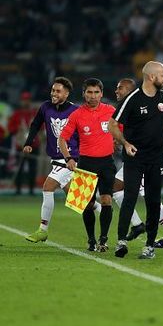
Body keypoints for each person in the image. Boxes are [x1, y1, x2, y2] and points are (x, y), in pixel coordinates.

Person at [108, 61, 163, 259]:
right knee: (129, 198)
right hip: (135, 158)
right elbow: (112, 125)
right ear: (152, 77)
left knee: (153, 202)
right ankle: (121, 242)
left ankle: (149, 246)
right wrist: (125, 143)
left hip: (156, 159)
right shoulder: (132, 99)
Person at [23, 77, 93, 243]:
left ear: (67, 93)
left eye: (58, 91)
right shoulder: (45, 107)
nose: (54, 93)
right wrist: (28, 142)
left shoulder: (76, 111)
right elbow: (35, 124)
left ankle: (43, 230)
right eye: (53, 90)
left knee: (48, 187)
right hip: (56, 158)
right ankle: (104, 208)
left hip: (70, 158)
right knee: (79, 200)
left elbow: (85, 132)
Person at [58, 78, 116, 252]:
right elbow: (62, 139)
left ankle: (103, 239)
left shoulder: (111, 111)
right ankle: (91, 239)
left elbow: (122, 129)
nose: (93, 96)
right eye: (89, 92)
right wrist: (68, 158)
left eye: (96, 92)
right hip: (86, 163)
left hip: (107, 162)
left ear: (102, 94)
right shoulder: (76, 114)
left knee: (106, 201)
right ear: (83, 94)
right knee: (87, 204)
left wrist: (122, 141)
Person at [8, 91, 39, 195]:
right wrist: (18, 129)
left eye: (27, 100)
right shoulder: (17, 114)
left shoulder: (35, 113)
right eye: (24, 100)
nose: (26, 102)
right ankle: (18, 190)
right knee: (19, 168)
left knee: (33, 168)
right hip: (20, 145)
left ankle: (31, 190)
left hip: (34, 145)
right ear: (21, 101)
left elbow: (42, 128)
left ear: (30, 101)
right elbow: (10, 129)